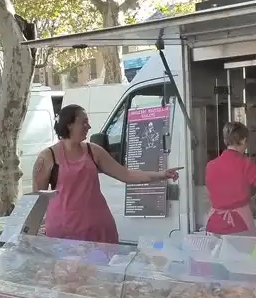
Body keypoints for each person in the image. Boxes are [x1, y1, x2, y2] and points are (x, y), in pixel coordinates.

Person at [32, 104, 179, 243]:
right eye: (84, 122)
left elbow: (126, 175)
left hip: (99, 230)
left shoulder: (93, 151)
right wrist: (33, 233)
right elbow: (37, 199)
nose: (88, 127)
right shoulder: (47, 157)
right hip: (63, 232)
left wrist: (161, 175)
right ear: (69, 124)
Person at [205, 121, 256, 235]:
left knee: (221, 253)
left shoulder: (210, 165)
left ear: (225, 140)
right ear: (242, 140)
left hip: (214, 224)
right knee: (251, 252)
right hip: (238, 224)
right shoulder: (245, 164)